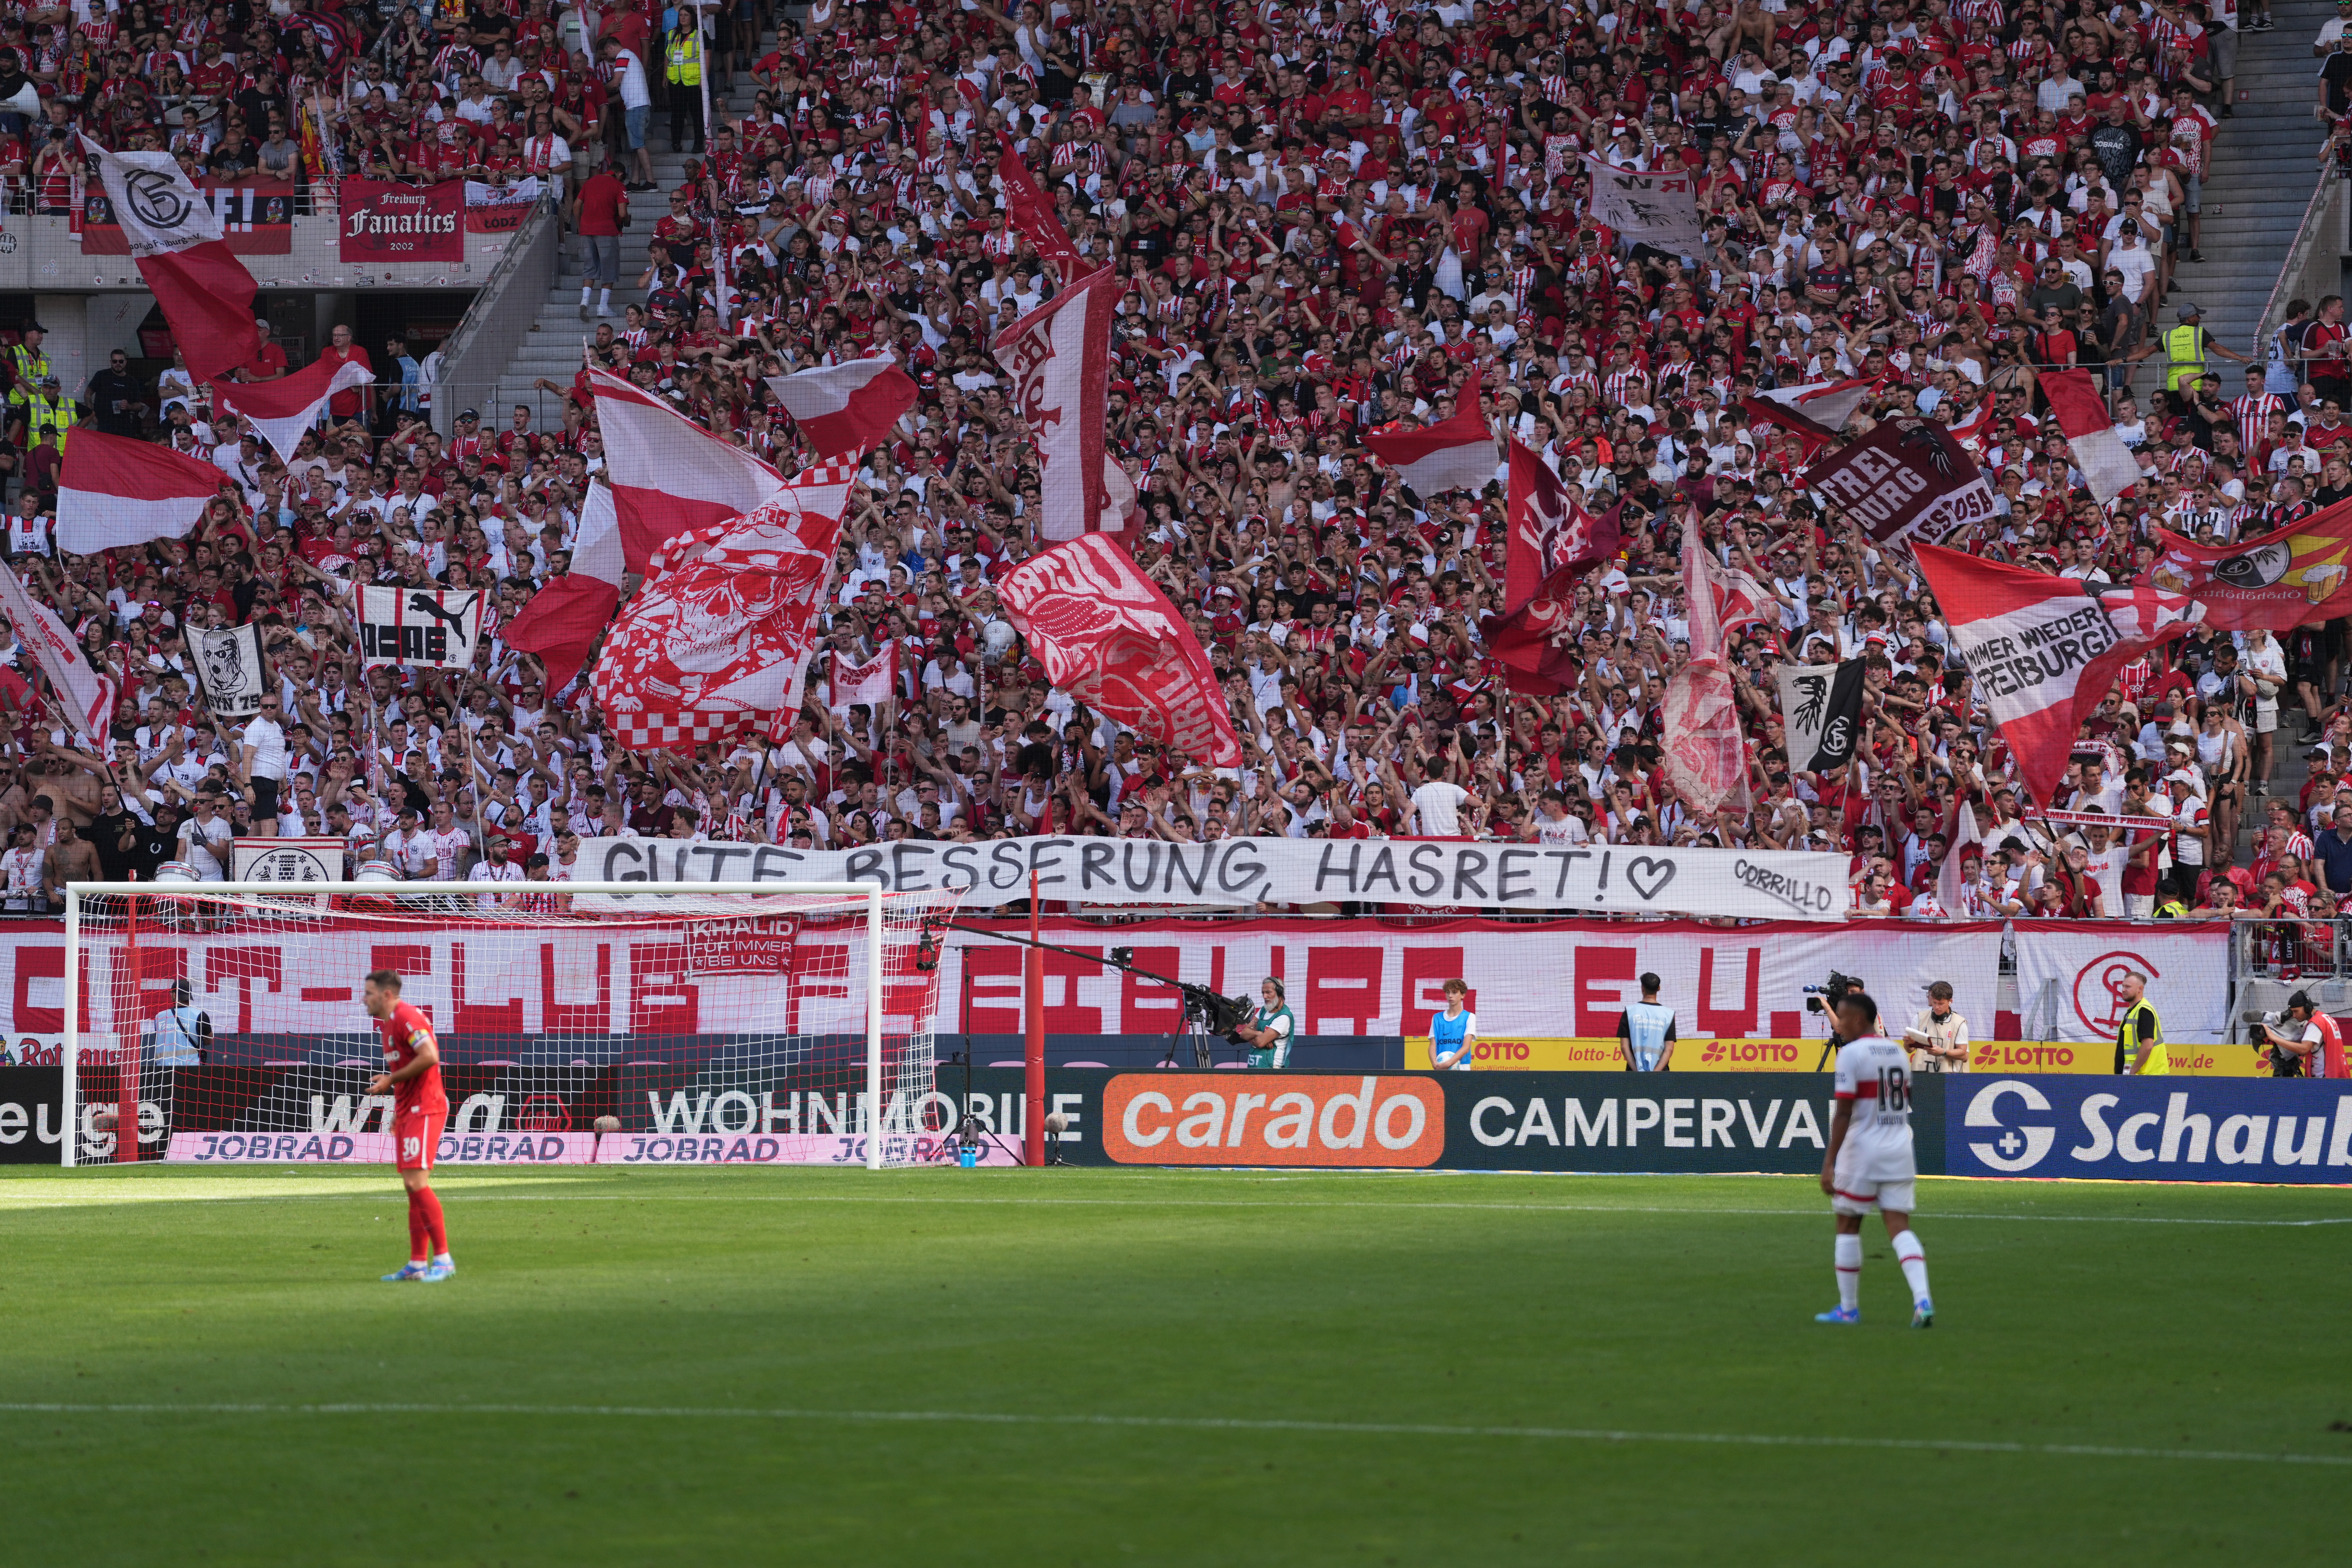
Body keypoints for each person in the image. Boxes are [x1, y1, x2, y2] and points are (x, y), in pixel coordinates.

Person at [1816, 990, 1934, 1328]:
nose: (1837, 1027)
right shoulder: (1897, 1054)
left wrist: (1829, 1163)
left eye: (1841, 1018)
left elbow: (1843, 1113)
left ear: (1857, 1019)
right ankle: (1922, 1299)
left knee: (1848, 1224)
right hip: (1899, 1148)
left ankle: (1848, 1309)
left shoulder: (1851, 1055)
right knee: (1899, 1226)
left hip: (1863, 1150)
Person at [364, 969, 453, 1282]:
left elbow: (430, 1056)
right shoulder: (388, 1024)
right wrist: (397, 1111)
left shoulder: (406, 1017)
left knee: (418, 1183)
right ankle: (417, 1264)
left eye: (369, 993)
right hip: (408, 1110)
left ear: (386, 995)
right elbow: (406, 1070)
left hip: (426, 1108)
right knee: (410, 1186)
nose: (365, 999)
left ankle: (443, 1260)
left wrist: (390, 1080)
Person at [2260, 990, 2345, 1078]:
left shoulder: (2315, 1023)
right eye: (2292, 1012)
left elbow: (2304, 1049)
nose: (2294, 1015)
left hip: (2323, 1079)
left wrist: (2274, 1037)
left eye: (2296, 1011)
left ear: (2307, 1008)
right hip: (2336, 1075)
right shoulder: (2325, 1018)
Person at [1902, 981, 1971, 1072]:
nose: (1937, 1007)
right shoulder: (1919, 1018)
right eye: (1935, 1003)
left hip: (1948, 1078)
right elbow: (1910, 1050)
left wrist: (1943, 1052)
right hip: (1922, 1077)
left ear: (1950, 1002)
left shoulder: (1959, 1023)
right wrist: (1907, 1044)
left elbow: (1964, 1056)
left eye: (1941, 1004)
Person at [1617, 971, 1676, 1070]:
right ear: (1659, 988)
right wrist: (1654, 1074)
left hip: (1634, 1075)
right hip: (1660, 1075)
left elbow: (1624, 1047)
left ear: (1642, 988)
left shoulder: (1630, 1012)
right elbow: (1669, 1049)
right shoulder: (1668, 1015)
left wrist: (1637, 1072)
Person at [1232, 977, 1295, 1069]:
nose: (1265, 996)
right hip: (1255, 1066)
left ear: (1279, 993)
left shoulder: (1284, 1017)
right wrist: (1259, 1033)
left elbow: (1260, 1042)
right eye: (1263, 993)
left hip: (1272, 1069)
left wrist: (1252, 1036)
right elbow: (1244, 1034)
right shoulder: (1263, 1011)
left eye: (1268, 992)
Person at [2112, 971, 2168, 1075]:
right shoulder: (2133, 1011)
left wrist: (2132, 1071)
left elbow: (2148, 1046)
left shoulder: (2143, 1011)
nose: (2123, 990)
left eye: (2128, 987)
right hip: (2137, 1076)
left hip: (2145, 1077)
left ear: (2140, 989)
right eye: (2123, 986)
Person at [146, 978, 210, 1068]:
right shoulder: (200, 1015)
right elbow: (209, 1041)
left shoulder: (159, 1017)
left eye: (171, 993)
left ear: (175, 995)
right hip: (192, 1070)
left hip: (163, 1070)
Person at [1429, 978, 1477, 1069]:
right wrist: (1435, 1064)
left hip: (1462, 1067)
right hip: (1441, 1068)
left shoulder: (1469, 1017)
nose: (1450, 996)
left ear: (1463, 995)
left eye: (1454, 993)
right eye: (1448, 992)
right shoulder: (1437, 1018)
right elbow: (1432, 1045)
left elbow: (1466, 1047)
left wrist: (1448, 1064)